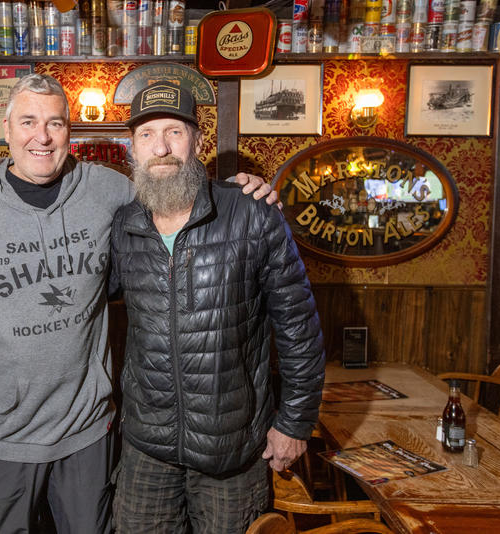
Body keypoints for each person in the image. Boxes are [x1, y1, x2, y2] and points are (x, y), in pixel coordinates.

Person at [0, 74, 278, 534]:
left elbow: (178, 196)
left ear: (70, 132)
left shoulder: (109, 191)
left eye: (55, 123)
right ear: (6, 129)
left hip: (87, 432)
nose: (41, 137)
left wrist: (241, 194)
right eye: (28, 121)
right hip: (7, 435)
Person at [110, 82, 326, 534]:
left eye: (175, 131)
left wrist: (295, 423)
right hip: (146, 447)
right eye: (147, 135)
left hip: (233, 451)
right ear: (132, 149)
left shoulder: (252, 213)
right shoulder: (123, 226)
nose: (162, 147)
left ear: (198, 141)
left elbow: (298, 328)